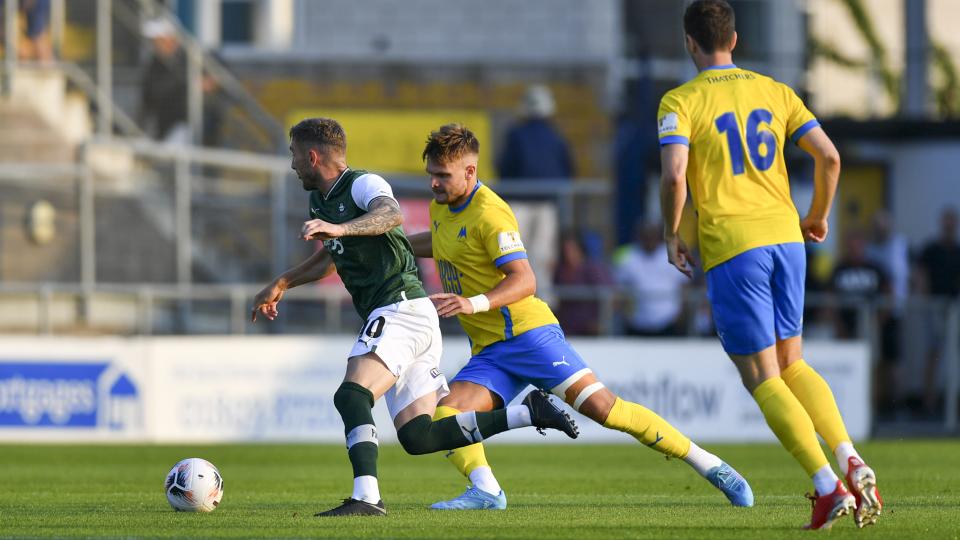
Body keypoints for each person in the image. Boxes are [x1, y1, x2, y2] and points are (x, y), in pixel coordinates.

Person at [407, 123, 752, 511]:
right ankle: (486, 491)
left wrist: (474, 304)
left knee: (605, 410)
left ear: (470, 172)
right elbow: (441, 239)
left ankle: (711, 465)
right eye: (432, 175)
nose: (434, 184)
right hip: (492, 350)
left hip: (528, 336)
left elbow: (526, 279)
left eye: (442, 176)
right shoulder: (443, 208)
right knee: (447, 413)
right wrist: (397, 243)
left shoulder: (491, 214)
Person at [251, 118, 578, 517]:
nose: (291, 164)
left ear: (312, 155)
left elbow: (391, 215)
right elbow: (330, 261)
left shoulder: (361, 184)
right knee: (418, 436)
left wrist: (340, 227)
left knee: (352, 395)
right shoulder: (320, 200)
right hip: (411, 315)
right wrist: (284, 281)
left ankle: (367, 497)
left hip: (400, 307)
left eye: (293, 155)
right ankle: (529, 413)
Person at [657, 0, 881, 529]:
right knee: (793, 363)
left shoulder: (679, 100)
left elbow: (674, 177)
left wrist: (672, 234)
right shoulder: (776, 90)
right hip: (788, 239)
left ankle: (828, 486)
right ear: (734, 40)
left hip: (736, 247)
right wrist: (818, 216)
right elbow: (829, 156)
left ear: (690, 42)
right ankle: (849, 455)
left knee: (761, 376)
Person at [918, 206, 960, 414]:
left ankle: (953, 403)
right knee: (933, 354)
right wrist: (927, 301)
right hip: (935, 307)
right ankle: (929, 401)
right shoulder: (931, 250)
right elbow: (922, 276)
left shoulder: (957, 250)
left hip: (955, 309)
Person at [613, 222, 690, 336]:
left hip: (668, 321)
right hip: (636, 323)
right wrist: (623, 315)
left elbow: (685, 287)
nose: (649, 240)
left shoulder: (674, 255)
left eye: (652, 236)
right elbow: (619, 290)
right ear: (639, 237)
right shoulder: (628, 257)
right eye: (646, 237)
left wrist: (681, 316)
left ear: (659, 237)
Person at [496, 85, 574, 180]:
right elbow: (569, 169)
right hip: (555, 193)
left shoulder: (516, 136)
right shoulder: (557, 136)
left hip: (521, 193)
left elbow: (504, 170)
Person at [552, 232, 613, 336]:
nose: (568, 253)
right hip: (567, 328)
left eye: (571, 249)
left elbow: (609, 294)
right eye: (565, 249)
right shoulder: (560, 270)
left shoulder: (592, 269)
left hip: (589, 329)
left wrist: (599, 322)